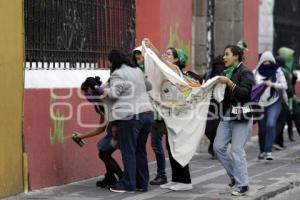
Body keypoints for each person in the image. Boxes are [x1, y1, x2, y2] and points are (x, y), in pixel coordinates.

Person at [100, 49, 154, 193]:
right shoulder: (136, 70)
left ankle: (128, 184)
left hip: (130, 117)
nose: (109, 65)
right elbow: (149, 86)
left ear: (113, 62)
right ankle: (142, 184)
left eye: (109, 62)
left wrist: (105, 92)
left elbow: (114, 93)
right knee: (140, 150)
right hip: (147, 114)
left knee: (128, 151)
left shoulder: (117, 74)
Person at [144, 38, 193, 191]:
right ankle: (176, 179)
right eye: (165, 53)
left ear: (176, 60)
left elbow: (161, 62)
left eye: (169, 54)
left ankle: (185, 181)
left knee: (178, 148)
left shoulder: (175, 70)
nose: (165, 56)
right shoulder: (164, 73)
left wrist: (152, 47)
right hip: (169, 116)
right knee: (171, 147)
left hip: (178, 116)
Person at [213, 44, 255, 196]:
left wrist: (229, 83)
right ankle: (235, 178)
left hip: (241, 115)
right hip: (227, 114)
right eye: (224, 54)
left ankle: (243, 184)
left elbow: (244, 94)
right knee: (218, 147)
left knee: (237, 150)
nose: (224, 57)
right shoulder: (226, 72)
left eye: (227, 54)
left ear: (236, 56)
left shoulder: (246, 72)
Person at [75, 76, 123, 188]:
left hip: (120, 128)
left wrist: (115, 126)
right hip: (114, 129)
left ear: (90, 90)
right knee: (103, 151)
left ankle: (122, 177)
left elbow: (113, 111)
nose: (86, 96)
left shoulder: (103, 99)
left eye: (85, 93)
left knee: (104, 153)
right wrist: (81, 136)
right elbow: (101, 128)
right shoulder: (98, 105)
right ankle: (110, 177)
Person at [132, 46, 168, 185]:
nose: (138, 60)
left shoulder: (156, 71)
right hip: (144, 111)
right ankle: (153, 175)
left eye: (141, 57)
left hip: (158, 112)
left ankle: (163, 175)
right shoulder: (136, 72)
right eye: (136, 58)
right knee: (149, 145)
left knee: (158, 145)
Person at [254, 51, 287, 160]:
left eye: (269, 61)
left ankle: (268, 151)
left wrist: (271, 84)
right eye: (264, 61)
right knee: (262, 129)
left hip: (274, 102)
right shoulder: (256, 72)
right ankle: (262, 150)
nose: (267, 63)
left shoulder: (277, 71)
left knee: (271, 124)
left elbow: (284, 85)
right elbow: (250, 86)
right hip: (260, 104)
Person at [204, 55, 225, 159]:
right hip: (209, 104)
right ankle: (213, 143)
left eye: (221, 65)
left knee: (218, 127)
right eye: (217, 65)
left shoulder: (226, 75)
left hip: (222, 104)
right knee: (208, 128)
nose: (219, 67)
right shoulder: (208, 74)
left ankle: (216, 148)